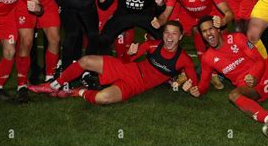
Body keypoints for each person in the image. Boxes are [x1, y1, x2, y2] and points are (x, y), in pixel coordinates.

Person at [29, 21, 198, 106]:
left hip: (136, 85)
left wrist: (192, 87)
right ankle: (54, 85)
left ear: (181, 36)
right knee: (86, 60)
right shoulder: (152, 45)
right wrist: (129, 53)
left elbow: (196, 84)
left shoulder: (184, 59)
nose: (169, 37)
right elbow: (124, 60)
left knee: (103, 98)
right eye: (167, 33)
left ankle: (78, 92)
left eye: (174, 34)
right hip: (128, 68)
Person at [153, 0, 235, 90]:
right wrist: (159, 22)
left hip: (208, 15)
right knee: (171, 34)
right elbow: (166, 14)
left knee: (217, 40)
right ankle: (177, 71)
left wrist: (223, 21)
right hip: (189, 16)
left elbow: (228, 12)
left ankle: (215, 72)